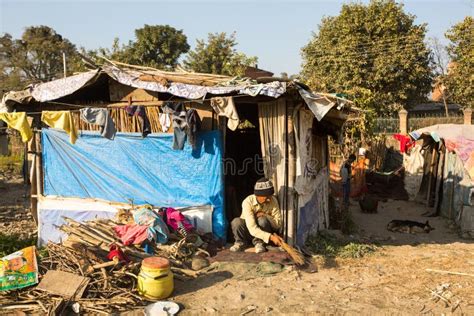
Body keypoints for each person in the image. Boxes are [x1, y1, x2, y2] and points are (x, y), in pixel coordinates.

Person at [230, 178, 283, 253]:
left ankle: (259, 243)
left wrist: (266, 215)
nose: (269, 199)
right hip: (249, 231)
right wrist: (271, 237)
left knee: (262, 219)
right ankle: (240, 243)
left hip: (264, 234)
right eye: (266, 197)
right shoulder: (248, 202)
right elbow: (252, 228)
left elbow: (278, 224)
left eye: (270, 196)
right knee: (236, 221)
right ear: (258, 195)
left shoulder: (273, 200)